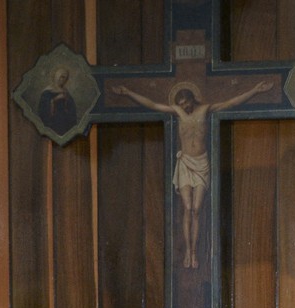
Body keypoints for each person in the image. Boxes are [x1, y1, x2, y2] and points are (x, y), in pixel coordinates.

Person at [112, 80, 272, 269]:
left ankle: (195, 251)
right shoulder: (178, 112)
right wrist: (128, 92)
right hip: (185, 163)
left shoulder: (205, 110)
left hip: (202, 163)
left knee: (197, 209)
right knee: (187, 208)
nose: (184, 107)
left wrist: (254, 89)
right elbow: (152, 105)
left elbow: (232, 102)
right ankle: (188, 251)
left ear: (191, 99)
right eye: (180, 105)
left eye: (186, 103)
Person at [38, 66, 78, 136]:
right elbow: (43, 111)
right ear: (55, 75)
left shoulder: (66, 92)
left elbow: (72, 110)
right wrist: (54, 100)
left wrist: (67, 102)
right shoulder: (47, 92)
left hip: (65, 123)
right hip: (53, 123)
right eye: (61, 76)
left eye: (65, 77)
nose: (62, 79)